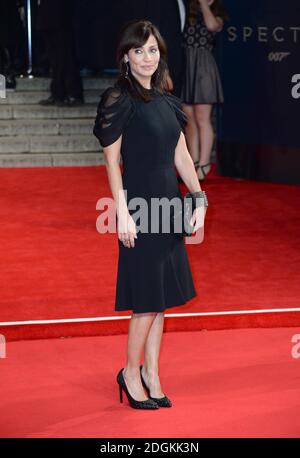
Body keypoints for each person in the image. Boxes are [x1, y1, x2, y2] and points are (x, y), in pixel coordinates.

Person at [93, 20, 208, 409]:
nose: (147, 57)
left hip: (170, 207)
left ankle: (152, 373)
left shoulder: (166, 101)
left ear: (161, 55)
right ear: (126, 56)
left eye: (153, 50)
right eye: (139, 50)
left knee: (160, 299)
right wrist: (122, 212)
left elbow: (181, 155)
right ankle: (129, 371)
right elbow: (111, 162)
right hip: (140, 208)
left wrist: (198, 198)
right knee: (145, 299)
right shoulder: (118, 98)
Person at [181, 0, 228, 181]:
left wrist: (204, 5)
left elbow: (211, 25)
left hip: (204, 67)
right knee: (189, 117)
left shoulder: (218, 13)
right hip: (186, 64)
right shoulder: (188, 9)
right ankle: (193, 162)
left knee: (202, 117)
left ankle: (205, 163)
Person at [36, 0, 83, 106]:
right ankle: (58, 93)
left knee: (65, 55)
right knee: (54, 57)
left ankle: (72, 93)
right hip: (49, 13)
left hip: (60, 13)